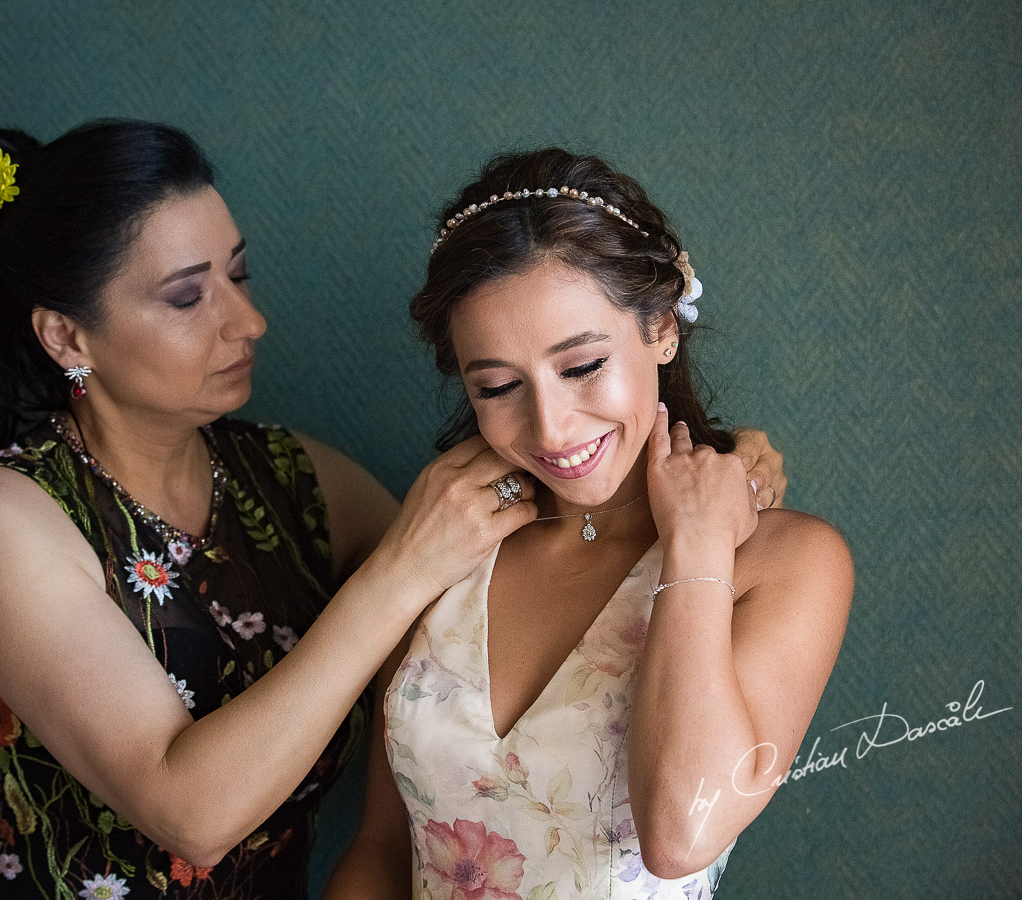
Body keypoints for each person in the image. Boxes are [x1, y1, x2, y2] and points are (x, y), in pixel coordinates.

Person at [0, 121, 787, 898]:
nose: (248, 320)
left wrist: (713, 455)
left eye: (239, 273)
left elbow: (544, 482)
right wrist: (401, 571)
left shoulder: (290, 476)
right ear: (66, 335)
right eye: (188, 296)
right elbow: (191, 811)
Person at [325, 150, 851, 899]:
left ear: (662, 327)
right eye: (499, 385)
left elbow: (679, 836)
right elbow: (380, 848)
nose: (550, 425)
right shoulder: (443, 548)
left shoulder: (787, 562)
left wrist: (696, 546)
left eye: (581, 367)